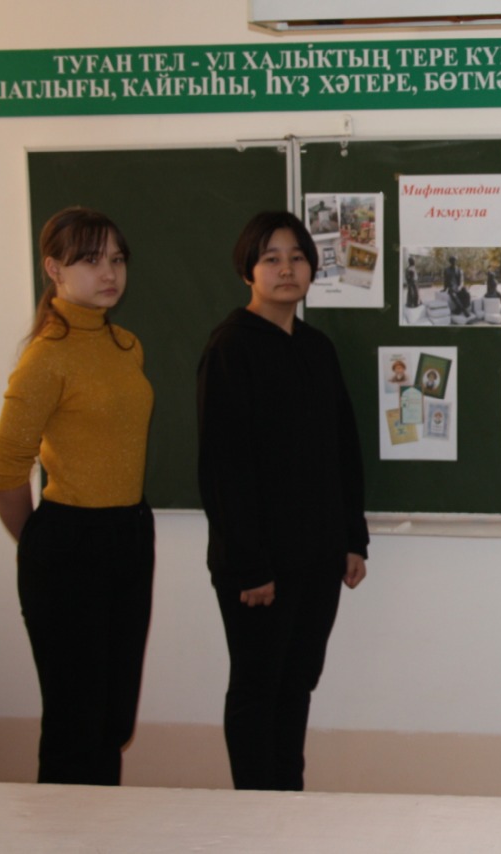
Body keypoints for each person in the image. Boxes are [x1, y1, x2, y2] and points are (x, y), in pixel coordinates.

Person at [197, 210, 369, 791]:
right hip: (259, 568)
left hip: (318, 558)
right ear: (248, 269)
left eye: (297, 257)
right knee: (257, 688)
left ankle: (287, 806)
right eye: (271, 258)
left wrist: (352, 539)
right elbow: (224, 469)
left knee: (296, 685)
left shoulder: (317, 348)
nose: (286, 269)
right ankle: (255, 814)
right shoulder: (231, 348)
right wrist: (250, 565)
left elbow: (343, 451)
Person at [0, 207, 154, 785]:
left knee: (113, 720)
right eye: (90, 260)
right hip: (69, 542)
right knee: (74, 725)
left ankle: (100, 829)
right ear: (54, 269)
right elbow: (6, 465)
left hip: (130, 535)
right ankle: (62, 831)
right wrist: (41, 544)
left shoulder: (126, 345)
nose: (108, 273)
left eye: (116, 259)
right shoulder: (46, 356)